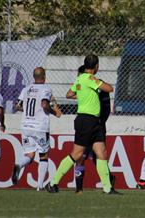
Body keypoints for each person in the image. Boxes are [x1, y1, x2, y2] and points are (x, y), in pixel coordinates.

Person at [45, 54, 120, 195]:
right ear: (96, 66)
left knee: (101, 152)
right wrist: (97, 83)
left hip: (94, 121)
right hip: (86, 120)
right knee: (77, 154)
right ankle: (53, 182)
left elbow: (69, 94)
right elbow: (109, 88)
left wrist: (82, 94)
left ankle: (108, 188)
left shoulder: (80, 79)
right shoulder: (91, 79)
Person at [12, 67, 62, 191]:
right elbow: (45, 105)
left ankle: (19, 164)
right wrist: (54, 112)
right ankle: (39, 186)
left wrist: (28, 111)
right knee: (43, 156)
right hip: (39, 127)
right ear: (44, 76)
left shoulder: (26, 89)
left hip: (26, 126)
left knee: (30, 154)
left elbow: (17, 106)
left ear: (34, 77)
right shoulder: (46, 88)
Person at [73, 65, 116, 194]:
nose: (79, 78)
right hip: (85, 125)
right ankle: (79, 188)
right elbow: (71, 94)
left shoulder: (99, 87)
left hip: (97, 126)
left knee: (98, 156)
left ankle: (108, 183)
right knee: (80, 156)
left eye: (81, 76)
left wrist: (100, 123)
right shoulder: (82, 87)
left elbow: (106, 109)